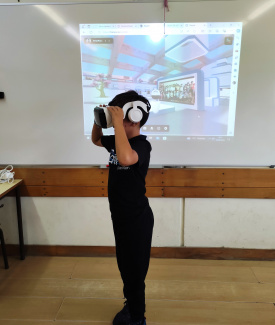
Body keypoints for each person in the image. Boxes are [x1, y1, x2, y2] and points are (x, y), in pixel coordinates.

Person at [92, 90, 154, 325]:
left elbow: (127, 158)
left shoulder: (141, 145)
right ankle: (132, 305)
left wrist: (117, 124)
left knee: (135, 272)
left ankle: (138, 318)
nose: (115, 121)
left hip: (137, 219)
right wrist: (99, 121)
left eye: (119, 115)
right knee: (126, 267)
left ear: (134, 115)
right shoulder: (118, 142)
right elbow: (97, 140)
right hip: (120, 216)